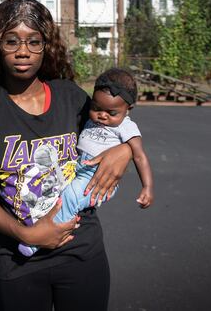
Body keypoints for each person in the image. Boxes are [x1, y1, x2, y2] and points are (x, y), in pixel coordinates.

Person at [0, 0, 133, 311]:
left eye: (34, 42)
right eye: (12, 41)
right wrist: (26, 235)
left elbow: (114, 126)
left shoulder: (70, 97)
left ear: (46, 46)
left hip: (82, 252)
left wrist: (126, 149)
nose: (23, 51)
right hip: (20, 261)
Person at [17, 67, 154, 257]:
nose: (102, 115)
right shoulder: (92, 118)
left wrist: (147, 187)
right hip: (79, 168)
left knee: (69, 198)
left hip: (97, 178)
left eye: (111, 112)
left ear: (127, 110)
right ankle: (43, 223)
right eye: (97, 108)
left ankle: (41, 240)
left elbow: (139, 156)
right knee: (54, 193)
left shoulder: (126, 126)